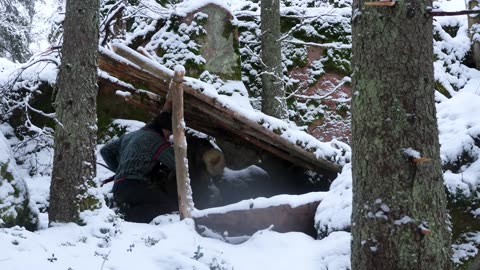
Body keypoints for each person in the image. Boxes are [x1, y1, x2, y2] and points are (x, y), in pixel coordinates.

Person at [100, 111, 178, 223]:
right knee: (169, 206)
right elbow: (177, 165)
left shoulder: (131, 135)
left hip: (118, 188)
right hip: (135, 187)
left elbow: (105, 151)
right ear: (165, 128)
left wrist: (120, 170)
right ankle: (125, 218)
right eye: (170, 133)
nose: (169, 137)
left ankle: (123, 213)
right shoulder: (156, 140)